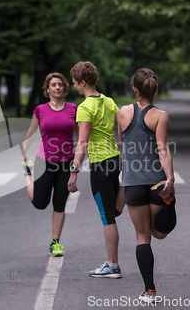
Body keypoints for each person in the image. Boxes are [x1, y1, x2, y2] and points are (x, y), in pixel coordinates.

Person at [117, 68, 176, 304]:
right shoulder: (161, 115)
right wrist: (170, 178)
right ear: (155, 89)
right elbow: (162, 148)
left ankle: (149, 291)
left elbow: (123, 143)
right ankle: (170, 201)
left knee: (143, 236)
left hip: (132, 183)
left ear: (134, 89)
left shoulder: (122, 113)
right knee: (159, 233)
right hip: (156, 182)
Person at [67, 61, 123, 278]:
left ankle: (112, 265)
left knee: (107, 216)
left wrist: (73, 170)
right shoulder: (109, 101)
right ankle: (127, 187)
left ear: (82, 82)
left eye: (74, 83)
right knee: (113, 210)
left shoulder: (84, 108)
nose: (74, 87)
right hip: (114, 159)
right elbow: (121, 129)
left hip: (101, 164)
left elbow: (82, 143)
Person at [21, 72, 78, 257]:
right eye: (53, 85)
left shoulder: (73, 109)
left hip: (66, 162)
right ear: (48, 89)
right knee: (39, 203)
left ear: (65, 88)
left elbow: (82, 135)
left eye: (60, 84)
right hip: (44, 161)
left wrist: (87, 155)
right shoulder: (40, 110)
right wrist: (23, 152)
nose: (57, 87)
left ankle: (55, 242)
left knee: (59, 204)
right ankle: (27, 175)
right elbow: (32, 131)